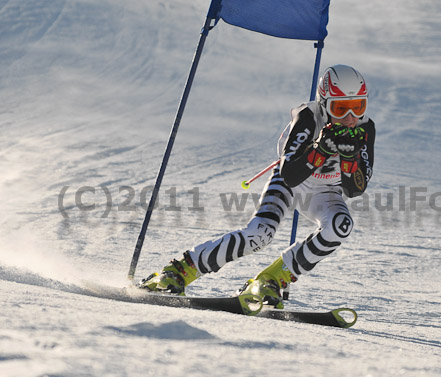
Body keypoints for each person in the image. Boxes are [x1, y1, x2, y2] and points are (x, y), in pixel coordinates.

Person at [139, 64, 376, 309]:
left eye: (358, 107)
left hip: (326, 193)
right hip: (290, 184)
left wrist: (349, 161)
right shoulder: (307, 117)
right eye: (340, 108)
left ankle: (272, 279)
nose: (350, 118)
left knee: (340, 226)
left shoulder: (365, 128)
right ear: (324, 104)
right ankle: (179, 271)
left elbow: (355, 190)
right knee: (259, 235)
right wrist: (320, 150)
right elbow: (290, 174)